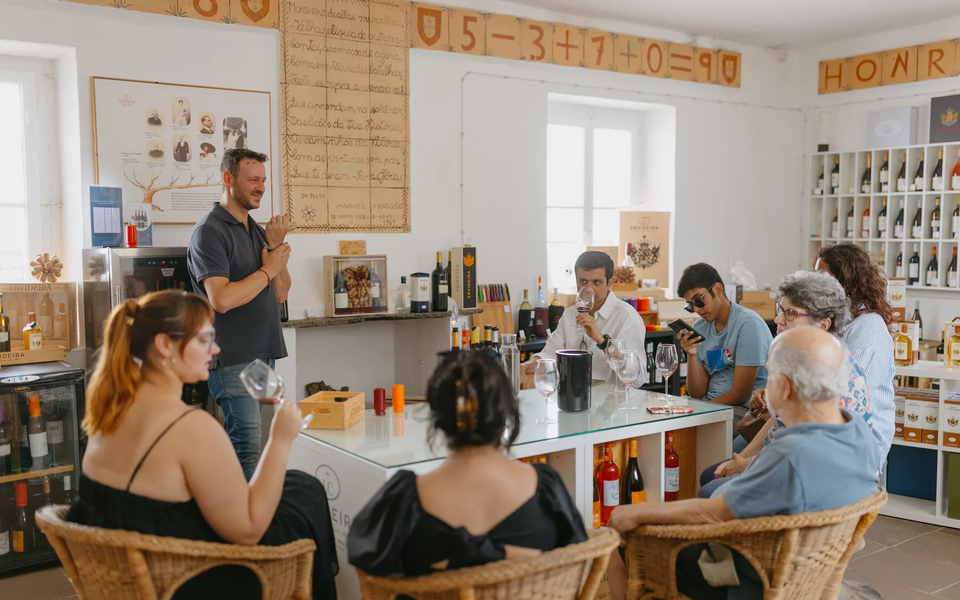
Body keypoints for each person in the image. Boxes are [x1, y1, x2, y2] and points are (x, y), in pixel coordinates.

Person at [67, 291, 338, 600]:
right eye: (205, 339)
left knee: (297, 485)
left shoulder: (108, 409)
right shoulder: (191, 428)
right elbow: (248, 531)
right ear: (165, 345)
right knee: (308, 495)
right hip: (184, 579)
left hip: (129, 569)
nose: (216, 348)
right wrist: (279, 440)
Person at [605, 328, 880, 600]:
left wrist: (634, 514)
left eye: (769, 375)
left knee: (620, 546)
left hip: (746, 578)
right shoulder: (859, 434)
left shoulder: (790, 454)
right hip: (808, 572)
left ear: (784, 387)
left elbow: (711, 514)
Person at [348, 350, 587, 579]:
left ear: (438, 418)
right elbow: (578, 562)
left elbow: (367, 567)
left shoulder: (405, 500)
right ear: (507, 413)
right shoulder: (545, 488)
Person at [698, 271, 883, 498]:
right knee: (710, 475)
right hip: (787, 462)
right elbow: (778, 421)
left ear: (823, 324)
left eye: (791, 313)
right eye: (780, 309)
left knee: (709, 491)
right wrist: (743, 457)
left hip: (809, 485)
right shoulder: (807, 358)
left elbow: (808, 456)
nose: (778, 319)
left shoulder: (825, 376)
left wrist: (749, 465)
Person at [187, 149, 292, 479]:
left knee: (258, 445)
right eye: (252, 180)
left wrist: (275, 248)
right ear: (228, 180)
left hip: (264, 357)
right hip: (232, 361)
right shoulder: (209, 231)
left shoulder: (257, 230)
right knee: (245, 447)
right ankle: (239, 526)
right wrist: (267, 269)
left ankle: (251, 520)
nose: (260, 187)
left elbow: (281, 291)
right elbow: (221, 299)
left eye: (262, 180)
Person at [815, 243, 896, 461]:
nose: (815, 284)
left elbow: (849, 396)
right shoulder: (838, 319)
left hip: (860, 439)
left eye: (823, 277)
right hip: (829, 423)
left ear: (845, 281)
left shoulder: (868, 328)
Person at [520, 251, 647, 389]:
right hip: (572, 398)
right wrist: (526, 366)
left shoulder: (627, 317)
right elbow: (549, 354)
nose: (588, 289)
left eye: (596, 282)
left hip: (613, 404)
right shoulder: (569, 314)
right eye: (583, 281)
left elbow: (638, 377)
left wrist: (603, 342)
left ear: (610, 282)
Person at [677, 263, 772, 426]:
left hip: (745, 409)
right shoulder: (700, 326)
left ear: (718, 290)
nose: (697, 309)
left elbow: (739, 395)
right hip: (711, 404)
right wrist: (691, 354)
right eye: (690, 306)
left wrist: (700, 411)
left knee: (686, 430)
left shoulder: (749, 325)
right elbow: (697, 392)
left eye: (699, 300)